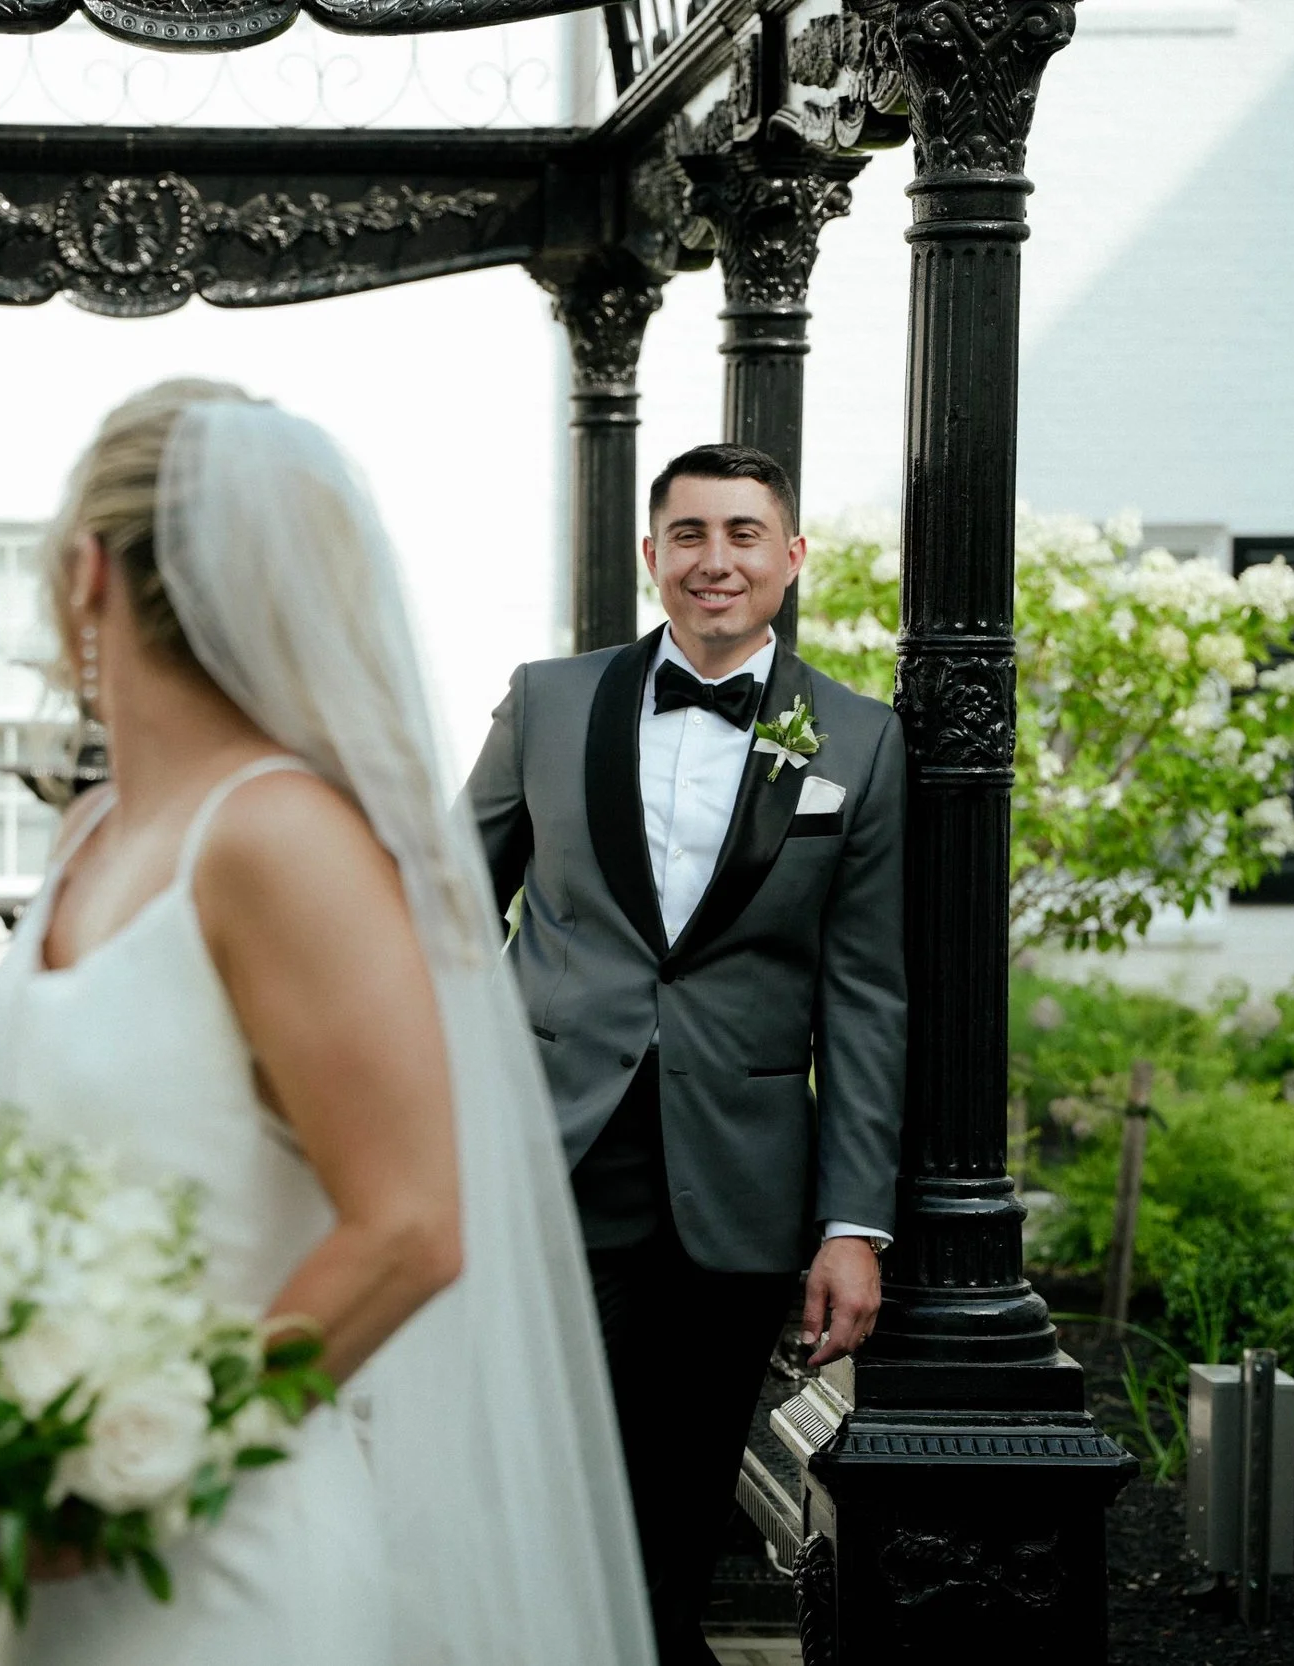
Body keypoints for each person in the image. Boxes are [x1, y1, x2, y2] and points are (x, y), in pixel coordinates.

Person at [0, 380, 657, 1666]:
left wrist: (116, 1479)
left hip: (226, 1565)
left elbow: (408, 1228)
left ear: (85, 575)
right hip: (42, 1559)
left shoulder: (282, 840)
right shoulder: (89, 835)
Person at [464, 442, 906, 1666]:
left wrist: (853, 1222)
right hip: (555, 1163)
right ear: (651, 554)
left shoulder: (855, 741)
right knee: (549, 1485)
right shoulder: (549, 702)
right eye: (692, 534)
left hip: (741, 1190)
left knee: (671, 1511)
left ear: (791, 557)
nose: (717, 561)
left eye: (745, 534)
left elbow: (867, 994)